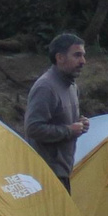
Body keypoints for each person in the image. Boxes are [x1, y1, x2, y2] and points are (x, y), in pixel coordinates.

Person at [25, 32, 91, 184]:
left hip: (64, 170)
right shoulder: (46, 87)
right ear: (60, 57)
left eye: (83, 55)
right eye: (77, 55)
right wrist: (69, 130)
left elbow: (62, 121)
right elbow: (33, 128)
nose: (83, 61)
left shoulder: (72, 86)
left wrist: (81, 123)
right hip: (46, 175)